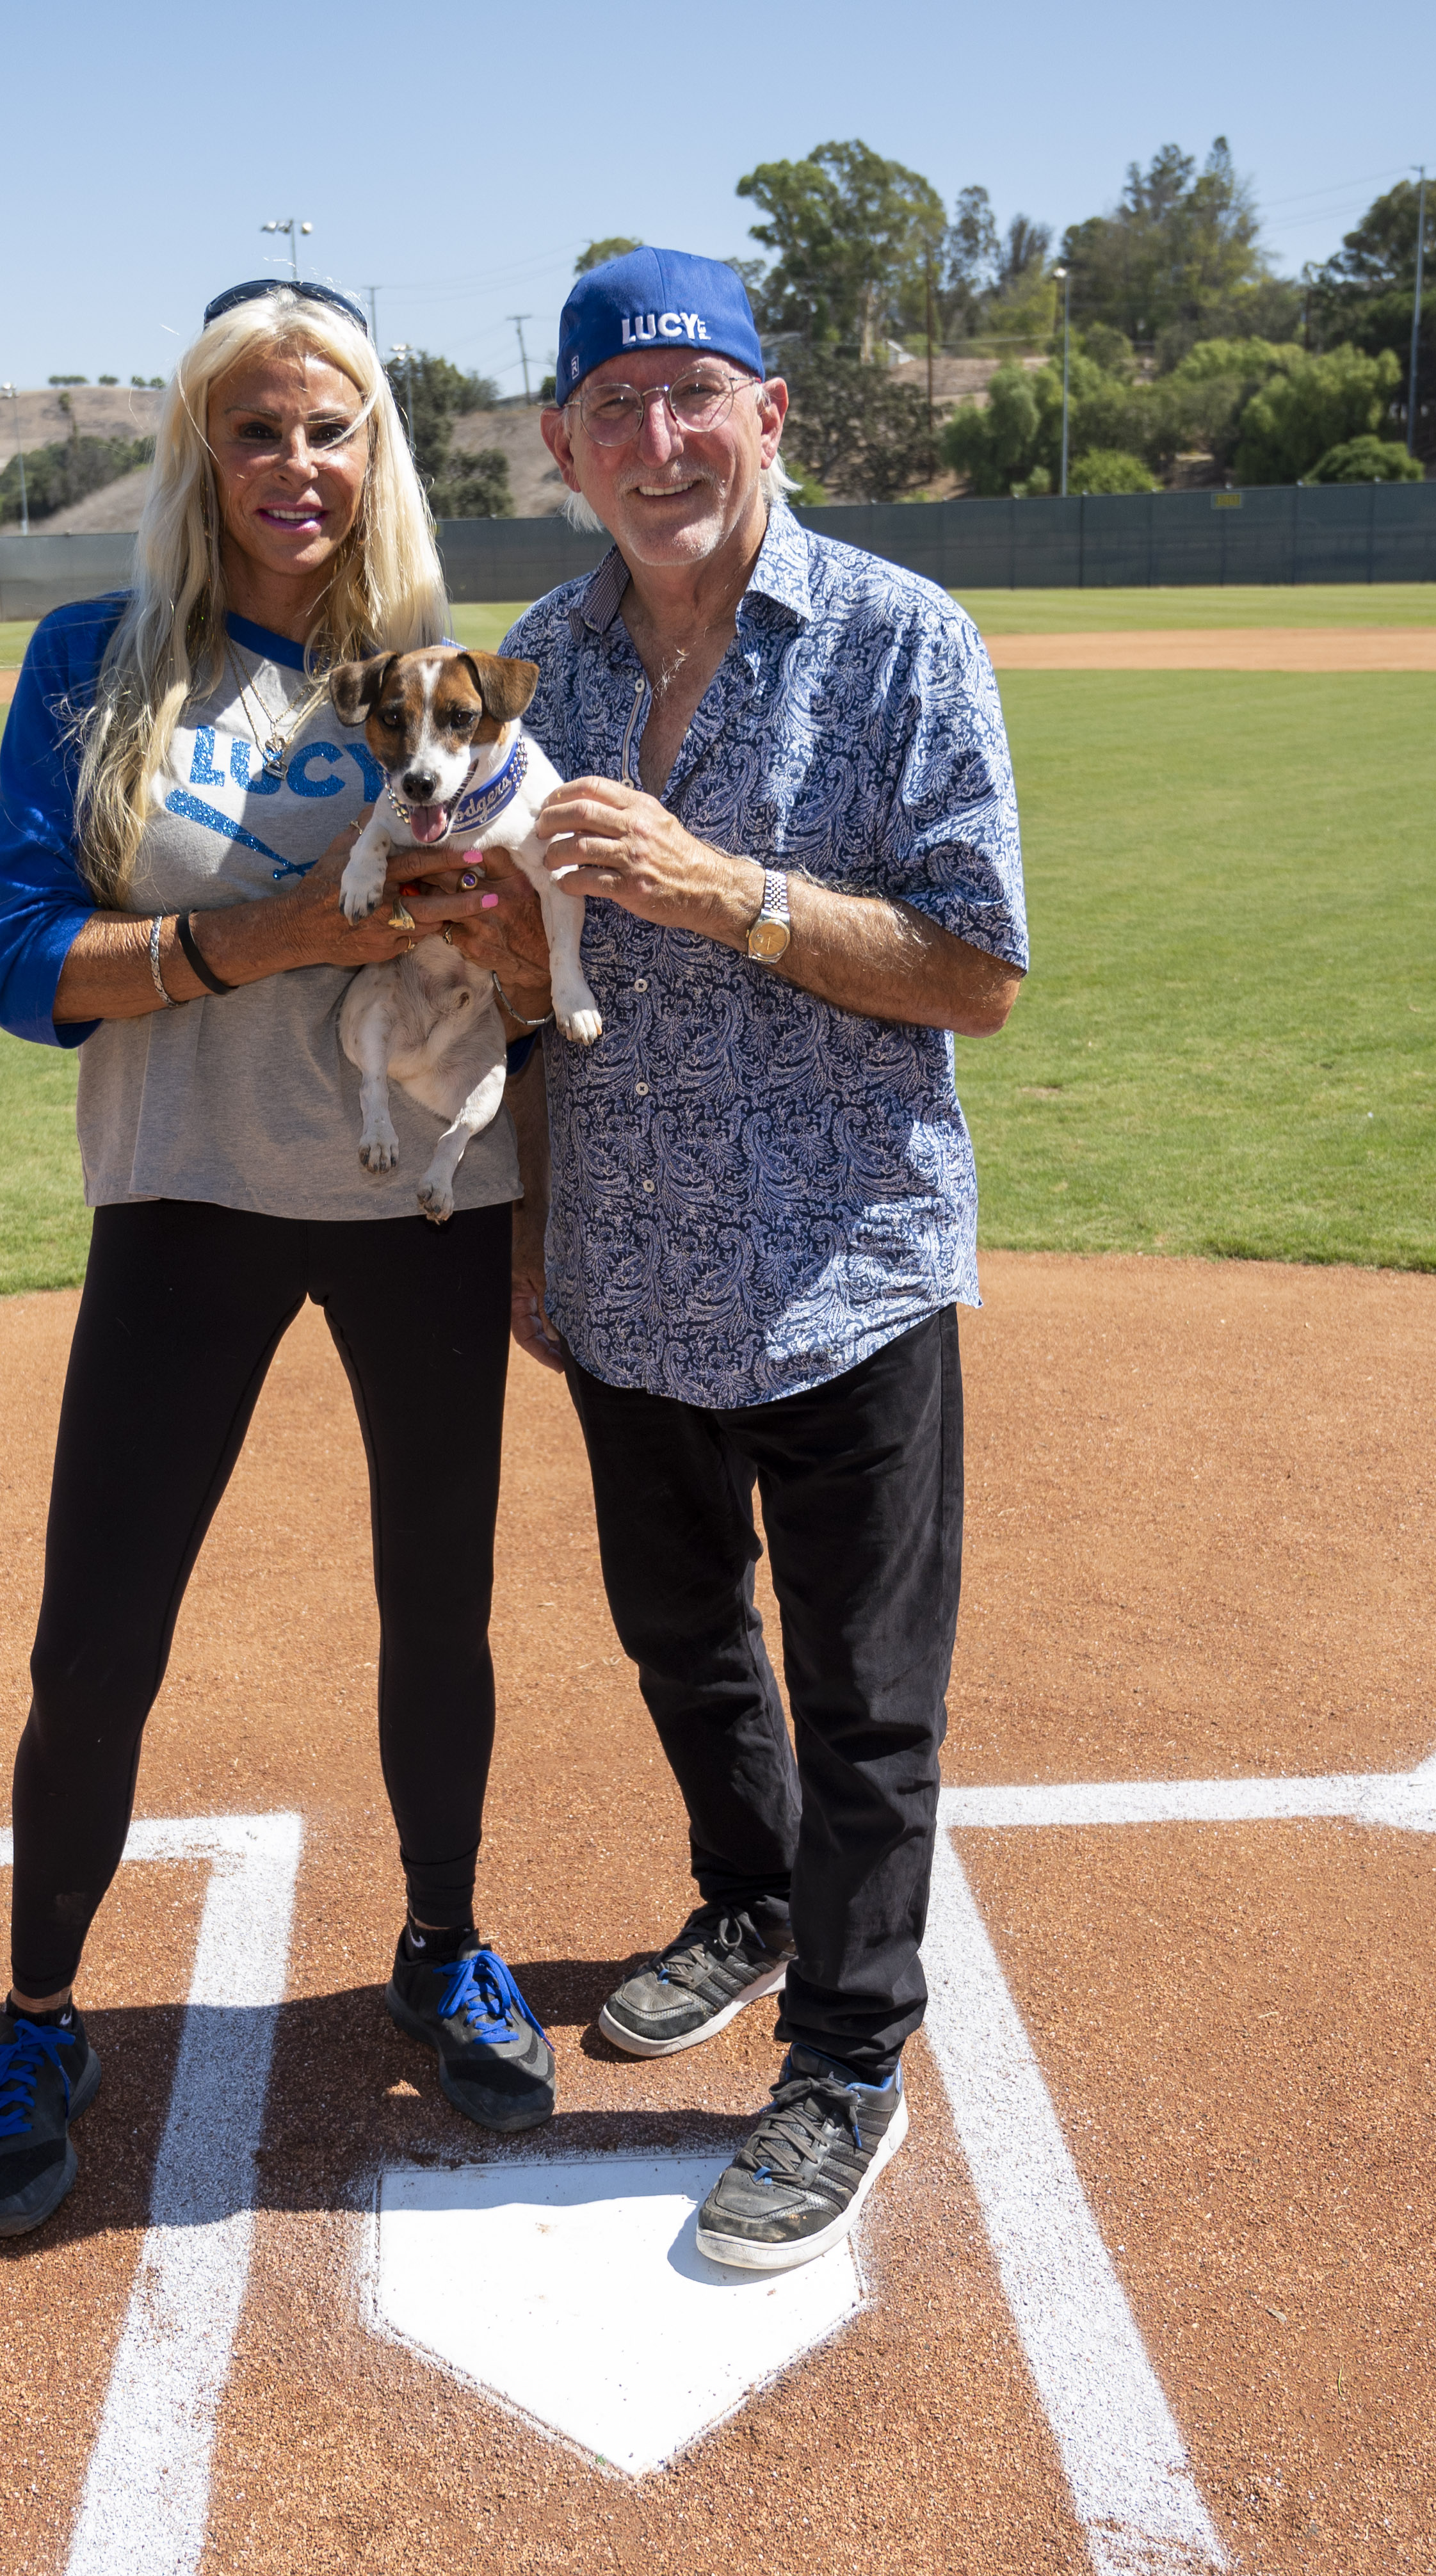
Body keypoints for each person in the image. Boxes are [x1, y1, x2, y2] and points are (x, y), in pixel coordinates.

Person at [0, 280, 555, 2239]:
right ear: (199, 454)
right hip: (184, 1195)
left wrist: (546, 1193)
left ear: (375, 449)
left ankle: (445, 1940)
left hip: (423, 1207)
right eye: (252, 430)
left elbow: (542, 991)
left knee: (436, 1607)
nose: (293, 466)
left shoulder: (440, 673)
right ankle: (43, 2011)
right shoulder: (95, 661)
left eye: (329, 428)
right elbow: (20, 958)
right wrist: (268, 939)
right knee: (98, 1632)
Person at [470, 247, 1029, 2271]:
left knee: (870, 1702)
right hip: (626, 1277)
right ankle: (748, 1893)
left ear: (769, 415)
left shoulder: (901, 641)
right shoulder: (537, 662)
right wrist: (534, 1239)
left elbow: (976, 970)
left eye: (695, 396)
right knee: (685, 1648)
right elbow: (528, 997)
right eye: (614, 410)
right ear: (563, 447)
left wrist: (730, 895)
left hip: (845, 1275)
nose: (660, 440)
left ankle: (848, 2056)